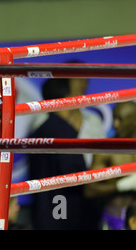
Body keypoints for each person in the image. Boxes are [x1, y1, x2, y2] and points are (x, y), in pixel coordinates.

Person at [27, 77, 105, 229]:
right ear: (67, 99)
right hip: (67, 215)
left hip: (45, 213)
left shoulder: (40, 130)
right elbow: (78, 180)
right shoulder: (65, 134)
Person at [84, 101, 136, 230]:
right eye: (114, 118)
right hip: (116, 218)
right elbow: (89, 190)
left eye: (120, 119)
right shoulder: (106, 150)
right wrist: (121, 185)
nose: (115, 124)